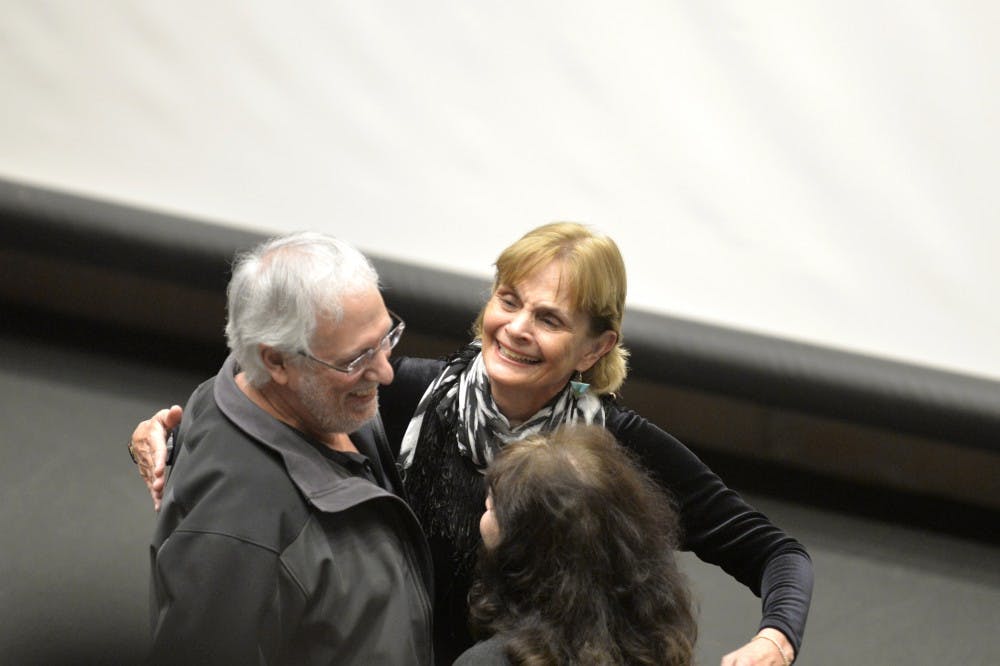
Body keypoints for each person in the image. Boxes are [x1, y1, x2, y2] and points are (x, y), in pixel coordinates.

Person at [132, 222, 811, 666]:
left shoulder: (617, 454)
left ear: (595, 348)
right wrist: (179, 431)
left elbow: (777, 553)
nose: (515, 327)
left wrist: (776, 639)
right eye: (508, 299)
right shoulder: (408, 396)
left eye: (549, 318)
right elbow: (284, 390)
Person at [145, 232, 434, 664]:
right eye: (356, 359)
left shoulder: (319, 403)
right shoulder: (240, 533)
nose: (386, 372)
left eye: (386, 338)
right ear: (276, 361)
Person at [454, 424, 697, 666]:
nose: (484, 516)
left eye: (491, 508)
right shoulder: (657, 649)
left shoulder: (487, 662)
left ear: (526, 550)